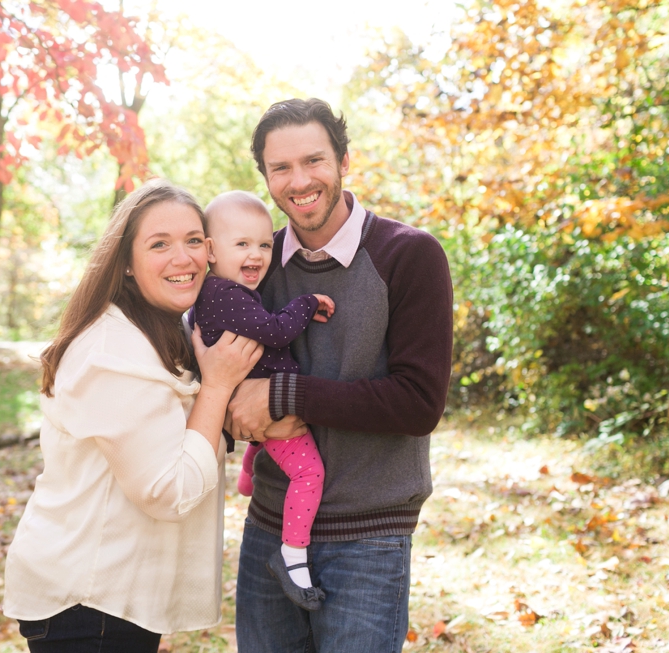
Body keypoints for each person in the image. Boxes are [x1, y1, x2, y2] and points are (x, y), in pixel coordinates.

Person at [228, 99, 454, 652]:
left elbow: (419, 403)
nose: (299, 181)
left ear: (344, 160)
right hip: (269, 529)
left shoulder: (409, 255)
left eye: (314, 161)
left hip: (369, 539)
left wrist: (284, 394)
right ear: (265, 177)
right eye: (280, 168)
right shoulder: (255, 264)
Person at [2, 179, 263, 653]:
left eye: (192, 241)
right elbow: (169, 491)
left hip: (111, 598)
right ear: (125, 262)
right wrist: (220, 386)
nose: (182, 258)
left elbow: (184, 436)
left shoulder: (164, 333)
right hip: (86, 602)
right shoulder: (111, 351)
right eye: (159, 244)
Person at [190, 190, 335, 611]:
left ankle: (250, 473)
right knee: (308, 474)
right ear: (212, 251)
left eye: (264, 244)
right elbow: (273, 332)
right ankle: (292, 555)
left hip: (249, 399)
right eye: (242, 245)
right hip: (262, 407)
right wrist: (306, 304)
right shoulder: (225, 295)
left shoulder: (219, 292)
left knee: (268, 439)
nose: (256, 254)